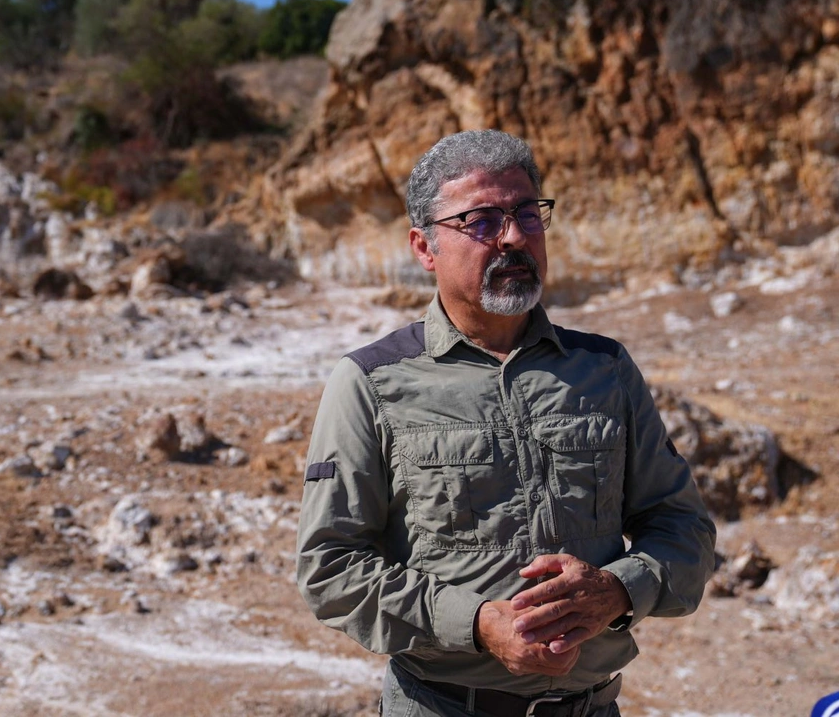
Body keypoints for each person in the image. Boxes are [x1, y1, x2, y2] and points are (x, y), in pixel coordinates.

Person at [295, 130, 717, 717]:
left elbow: (684, 530)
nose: (514, 236)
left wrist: (617, 591)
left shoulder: (604, 369)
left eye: (526, 213)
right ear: (424, 247)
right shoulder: (371, 381)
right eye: (482, 221)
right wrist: (477, 623)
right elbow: (329, 567)